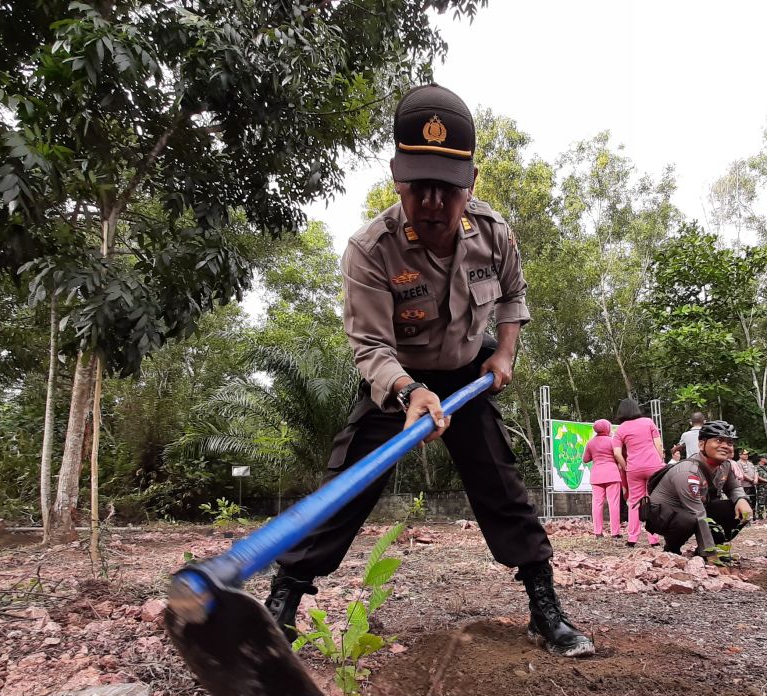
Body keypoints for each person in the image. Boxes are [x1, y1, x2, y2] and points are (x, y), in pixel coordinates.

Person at [264, 85, 594, 658]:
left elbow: (513, 296)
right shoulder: (370, 249)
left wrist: (504, 354)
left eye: (448, 188)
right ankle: (283, 605)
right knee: (348, 486)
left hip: (467, 374)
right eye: (421, 187)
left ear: (469, 185)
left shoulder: (493, 234)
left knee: (502, 487)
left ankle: (545, 608)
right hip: (397, 381)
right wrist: (408, 390)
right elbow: (368, 345)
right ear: (397, 178)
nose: (435, 202)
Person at [644, 421, 752, 556]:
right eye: (718, 441)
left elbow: (734, 487)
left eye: (729, 443)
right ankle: (672, 549)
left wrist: (741, 499)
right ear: (702, 444)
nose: (725, 446)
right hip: (665, 516)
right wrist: (712, 556)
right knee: (688, 519)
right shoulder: (688, 472)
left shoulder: (725, 466)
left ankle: (706, 551)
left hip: (696, 509)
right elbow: (698, 514)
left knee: (737, 507)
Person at [614, 398, 665, 548]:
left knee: (634, 503)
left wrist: (626, 467)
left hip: (634, 468)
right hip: (653, 466)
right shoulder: (648, 422)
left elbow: (617, 453)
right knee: (653, 501)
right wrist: (659, 460)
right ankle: (653, 539)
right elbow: (659, 444)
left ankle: (632, 538)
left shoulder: (620, 429)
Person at [582, 420, 622, 538]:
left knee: (597, 503)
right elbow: (618, 455)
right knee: (613, 503)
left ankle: (598, 532)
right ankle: (615, 532)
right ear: (607, 428)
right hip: (612, 473)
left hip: (596, 475)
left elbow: (585, 459)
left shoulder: (590, 443)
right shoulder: (612, 440)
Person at [734, 449, 758, 517]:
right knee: (745, 501)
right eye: (744, 454)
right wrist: (752, 480)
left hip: (752, 485)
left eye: (747, 454)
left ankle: (753, 516)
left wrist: (755, 479)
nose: (746, 456)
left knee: (753, 500)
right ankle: (745, 516)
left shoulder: (750, 463)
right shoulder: (738, 463)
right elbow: (742, 474)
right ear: (740, 455)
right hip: (744, 485)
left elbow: (756, 472)